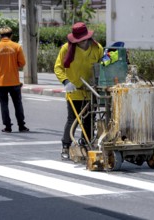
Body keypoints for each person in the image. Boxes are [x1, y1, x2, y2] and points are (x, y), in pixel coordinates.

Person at [54, 22, 103, 159]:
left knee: (89, 120)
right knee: (73, 120)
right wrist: (66, 81)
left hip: (90, 90)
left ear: (87, 37)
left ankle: (86, 144)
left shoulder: (97, 48)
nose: (81, 42)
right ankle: (65, 146)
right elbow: (58, 67)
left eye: (83, 39)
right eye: (78, 40)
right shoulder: (66, 49)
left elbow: (102, 66)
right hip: (74, 90)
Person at [0, 26, 29, 133]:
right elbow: (22, 63)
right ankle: (21, 125)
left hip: (1, 82)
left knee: (4, 104)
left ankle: (7, 126)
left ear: (0, 36)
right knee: (18, 104)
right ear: (11, 35)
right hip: (14, 82)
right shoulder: (16, 47)